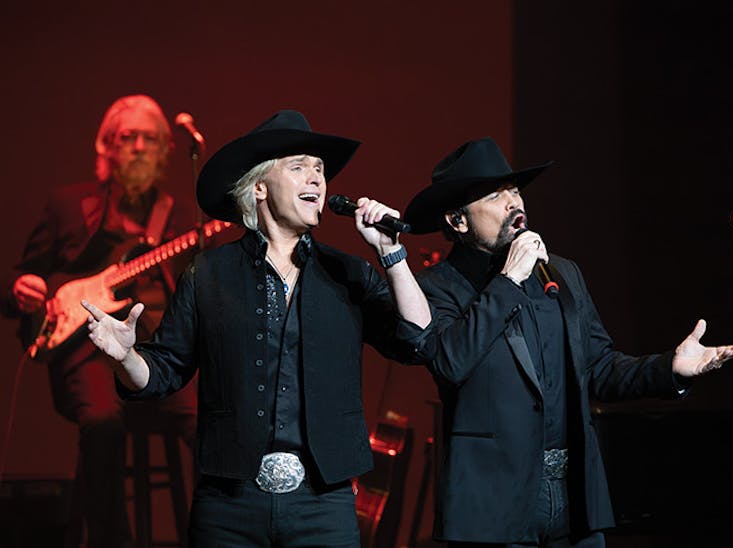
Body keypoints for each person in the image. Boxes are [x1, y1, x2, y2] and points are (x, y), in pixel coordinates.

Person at [81, 109, 433, 547]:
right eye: (299, 167)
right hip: (229, 506)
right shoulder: (209, 274)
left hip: (323, 504)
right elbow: (163, 371)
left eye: (320, 169)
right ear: (260, 187)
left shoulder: (349, 274)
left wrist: (391, 253)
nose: (316, 178)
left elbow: (417, 340)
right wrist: (126, 357)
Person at [403, 137, 733, 548]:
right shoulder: (436, 287)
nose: (513, 202)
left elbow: (598, 368)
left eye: (515, 190)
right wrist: (508, 281)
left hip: (574, 498)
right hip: (494, 504)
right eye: (495, 196)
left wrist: (668, 368)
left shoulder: (562, 273)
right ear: (458, 221)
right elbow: (451, 362)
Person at [0, 94, 198, 547]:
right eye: (128, 137)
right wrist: (21, 288)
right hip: (85, 350)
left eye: (150, 139)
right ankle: (111, 540)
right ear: (106, 145)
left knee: (207, 417)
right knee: (103, 422)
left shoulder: (181, 218)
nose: (139, 147)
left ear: (166, 150)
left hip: (154, 350)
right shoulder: (67, 205)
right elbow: (18, 275)